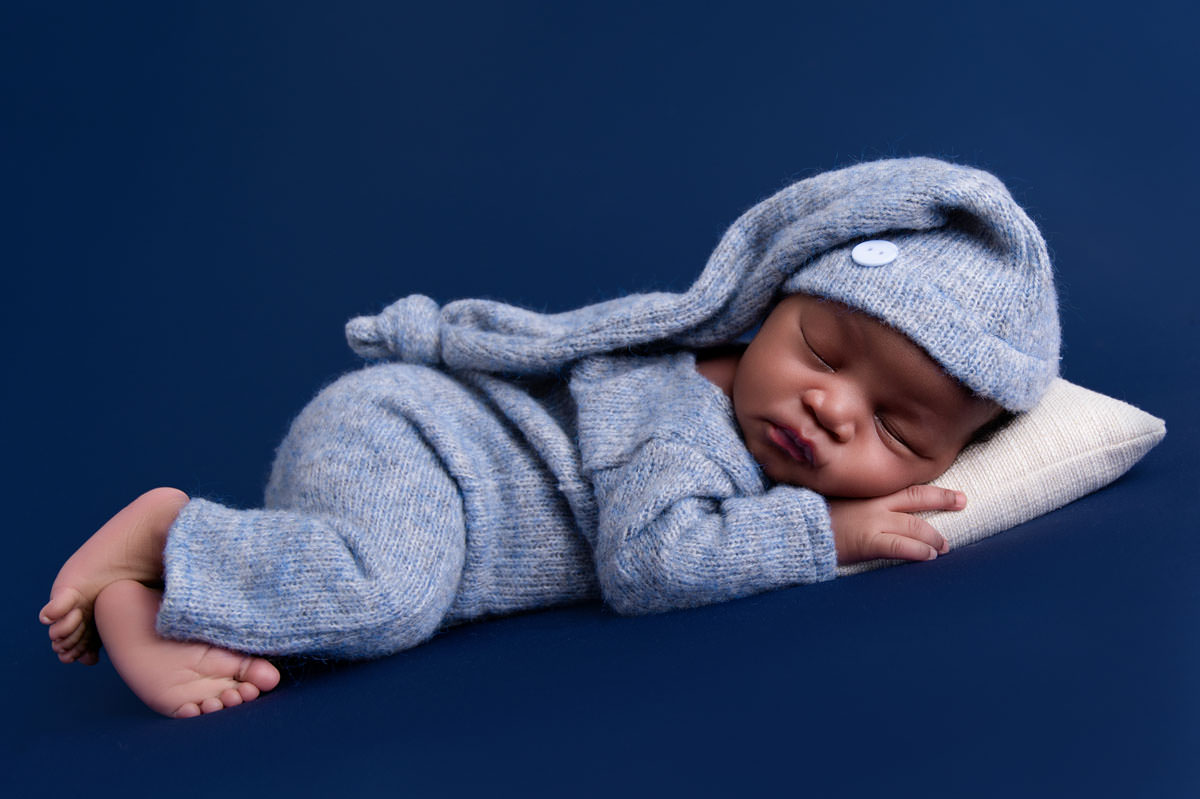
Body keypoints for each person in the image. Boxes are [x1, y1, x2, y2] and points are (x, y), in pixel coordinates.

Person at [39, 156, 1059, 718]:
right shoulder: (688, 427)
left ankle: (177, 602)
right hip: (417, 438)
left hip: (438, 485)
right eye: (823, 353)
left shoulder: (767, 428)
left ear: (950, 457)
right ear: (766, 307)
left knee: (357, 614)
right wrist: (826, 536)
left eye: (895, 425)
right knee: (391, 592)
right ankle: (167, 539)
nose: (833, 410)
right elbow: (649, 562)